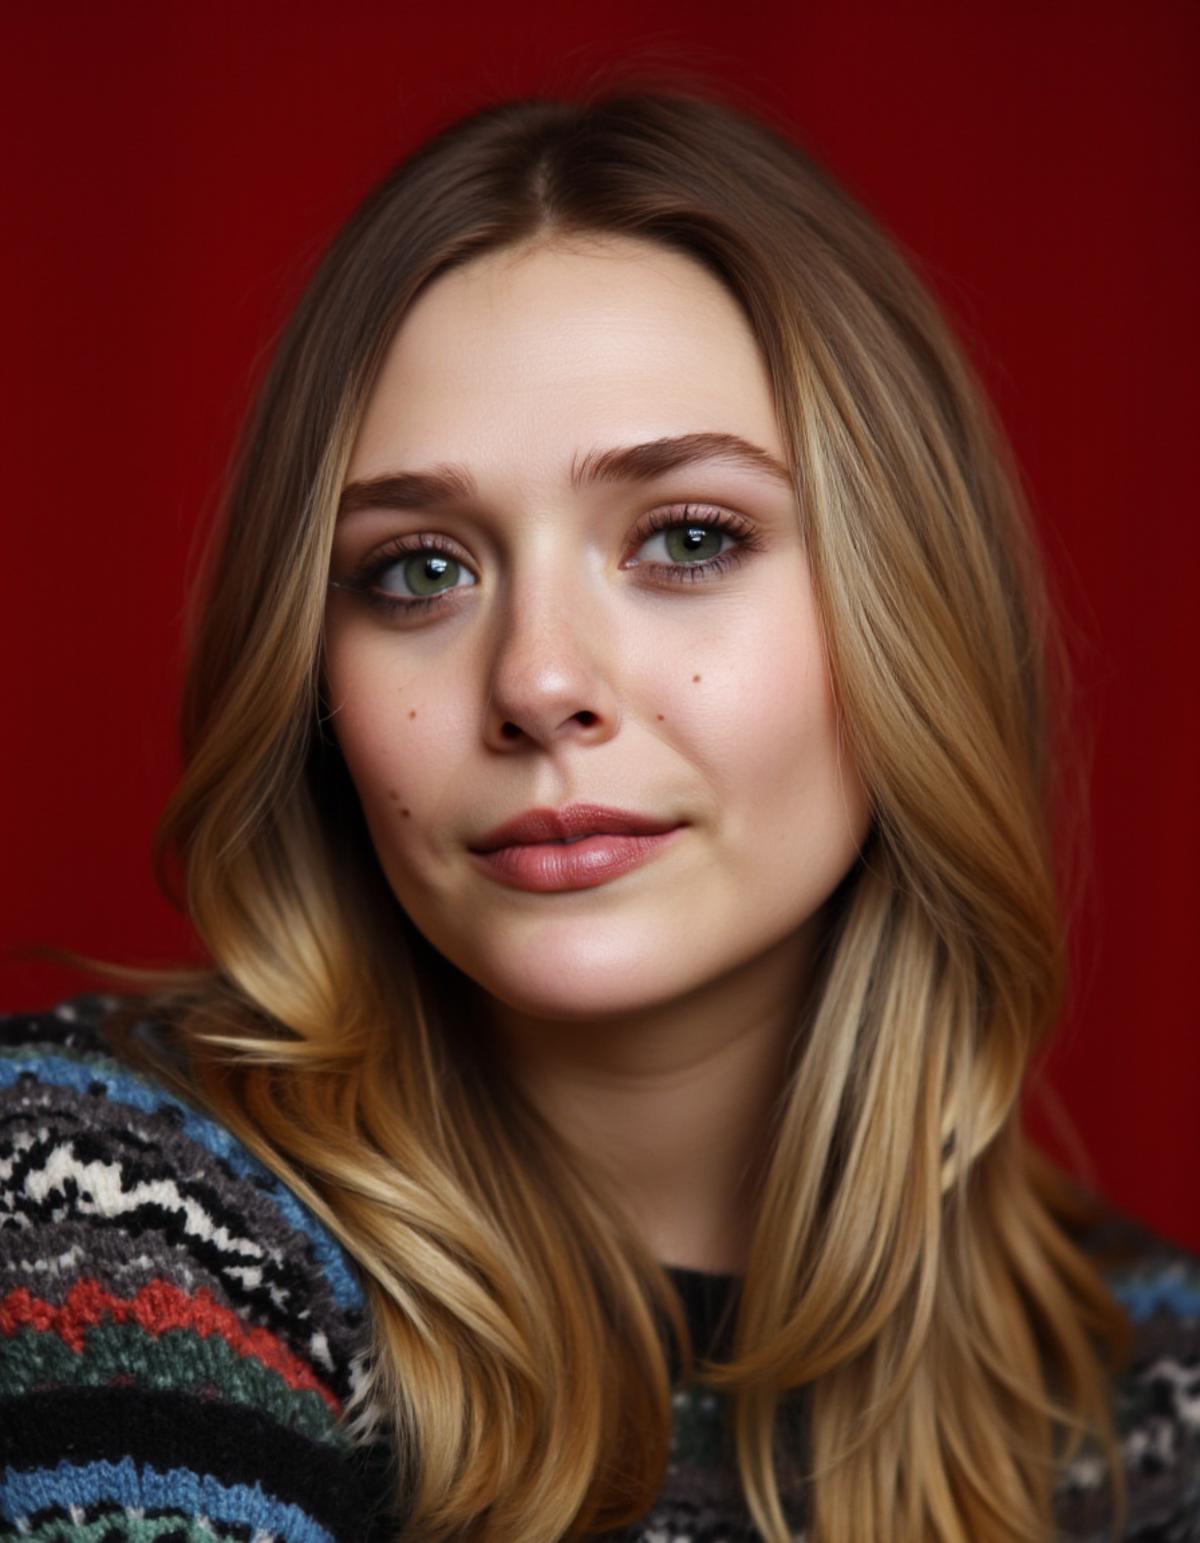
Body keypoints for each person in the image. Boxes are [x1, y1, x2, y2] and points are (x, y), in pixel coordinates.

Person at [2, 72, 1197, 1543]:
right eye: (419, 568)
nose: (540, 679)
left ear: (913, 617)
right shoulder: (108, 1202)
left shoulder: (1144, 1390)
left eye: (689, 538)